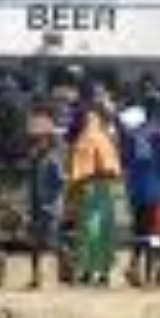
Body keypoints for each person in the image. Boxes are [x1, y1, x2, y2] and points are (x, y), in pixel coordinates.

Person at [121, 96, 160, 288]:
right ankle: (150, 273)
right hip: (155, 188)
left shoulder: (133, 134)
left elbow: (126, 162)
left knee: (139, 229)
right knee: (154, 232)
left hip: (136, 188)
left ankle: (135, 266)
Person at [66, 104, 122, 285]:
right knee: (106, 231)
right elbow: (114, 168)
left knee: (90, 232)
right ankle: (104, 273)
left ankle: (88, 272)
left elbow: (80, 169)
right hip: (108, 188)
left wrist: (72, 189)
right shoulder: (105, 137)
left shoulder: (86, 138)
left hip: (90, 187)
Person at [25, 103, 65, 288]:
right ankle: (36, 276)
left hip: (50, 206)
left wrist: (51, 202)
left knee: (52, 242)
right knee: (35, 244)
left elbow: (60, 181)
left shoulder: (53, 158)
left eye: (38, 139)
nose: (35, 143)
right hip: (36, 205)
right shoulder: (36, 159)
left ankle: (60, 273)